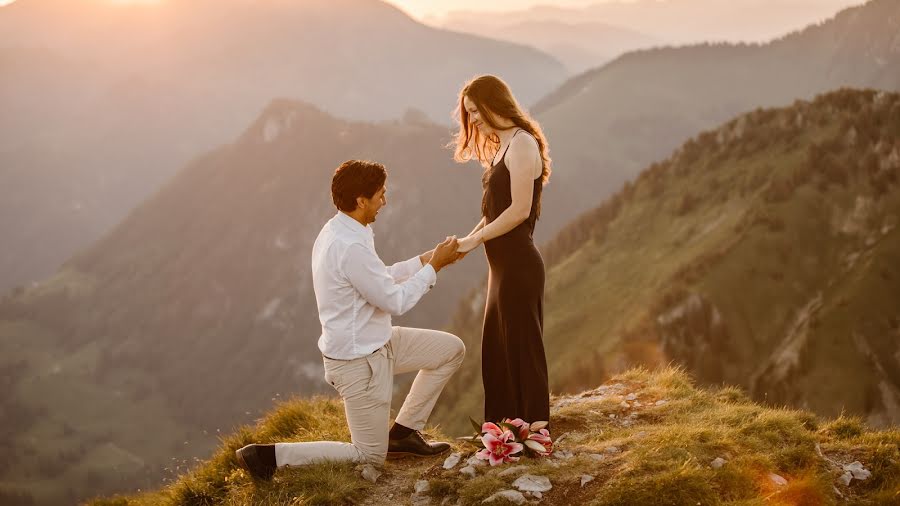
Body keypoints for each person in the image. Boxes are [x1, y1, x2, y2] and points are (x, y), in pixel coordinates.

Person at [235, 160, 466, 480]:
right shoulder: (349, 246)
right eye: (380, 195)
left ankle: (403, 433)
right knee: (368, 456)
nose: (384, 202)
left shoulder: (344, 229)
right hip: (359, 363)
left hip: (379, 342)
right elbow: (394, 300)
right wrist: (434, 269)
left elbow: (378, 278)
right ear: (361, 201)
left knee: (450, 350)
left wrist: (424, 261)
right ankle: (267, 456)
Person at [453, 75, 552, 426]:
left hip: (519, 266)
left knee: (523, 350)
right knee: (498, 351)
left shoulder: (523, 144)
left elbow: (519, 210)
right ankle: (505, 434)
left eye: (476, 111)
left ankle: (535, 431)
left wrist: (477, 241)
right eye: (469, 113)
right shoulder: (503, 145)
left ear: (494, 103)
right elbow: (492, 212)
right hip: (501, 269)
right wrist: (466, 240)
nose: (474, 119)